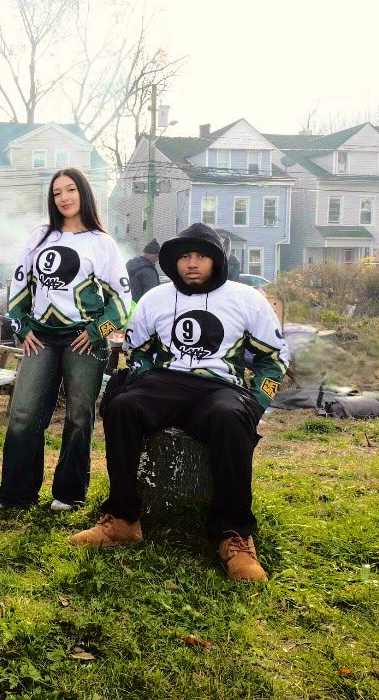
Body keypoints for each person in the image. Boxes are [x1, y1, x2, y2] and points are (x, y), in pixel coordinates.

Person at [68, 222, 287, 583]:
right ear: (173, 261)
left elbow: (274, 360)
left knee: (231, 417)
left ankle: (233, 535)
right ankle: (122, 519)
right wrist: (144, 378)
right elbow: (137, 351)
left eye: (201, 255)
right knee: (123, 406)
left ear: (217, 260)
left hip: (220, 386)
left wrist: (257, 401)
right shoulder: (156, 298)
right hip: (167, 381)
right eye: (185, 256)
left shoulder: (247, 298)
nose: (192, 263)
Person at [0, 168, 133, 512]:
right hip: (41, 338)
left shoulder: (101, 242)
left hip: (84, 339)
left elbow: (122, 300)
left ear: (84, 193)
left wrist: (96, 332)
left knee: (79, 416)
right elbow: (19, 285)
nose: (64, 198)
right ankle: (16, 494)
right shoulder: (40, 236)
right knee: (23, 412)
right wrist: (23, 327)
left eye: (70, 190)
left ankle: (69, 494)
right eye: (57, 193)